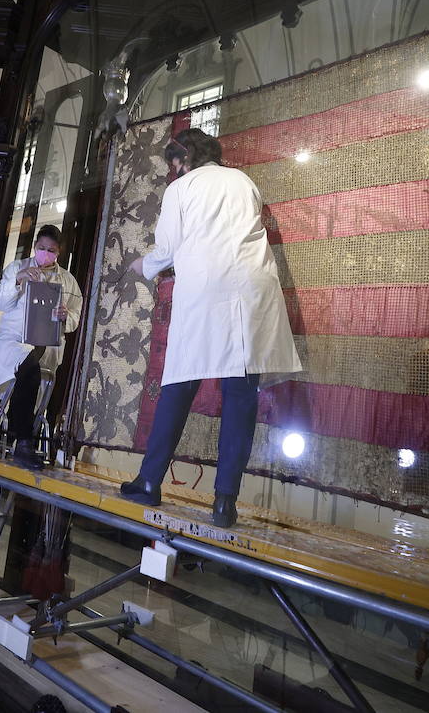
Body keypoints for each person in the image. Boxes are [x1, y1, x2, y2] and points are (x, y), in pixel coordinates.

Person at [121, 128, 302, 528]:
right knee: (241, 393)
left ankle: (149, 480)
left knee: (181, 381)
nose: (173, 170)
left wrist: (144, 266)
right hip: (252, 290)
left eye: (173, 163)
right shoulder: (244, 181)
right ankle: (225, 503)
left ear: (183, 158)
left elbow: (166, 250)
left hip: (205, 289)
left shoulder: (182, 188)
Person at [0, 224, 84, 469]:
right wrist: (19, 281)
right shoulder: (17, 268)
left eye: (51, 250)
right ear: (35, 247)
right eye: (42, 248)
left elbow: (75, 318)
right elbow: (1, 302)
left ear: (59, 252)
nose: (46, 253)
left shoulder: (68, 281)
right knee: (28, 364)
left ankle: (19, 435)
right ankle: (22, 442)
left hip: (47, 343)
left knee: (34, 372)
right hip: (15, 340)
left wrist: (66, 316)